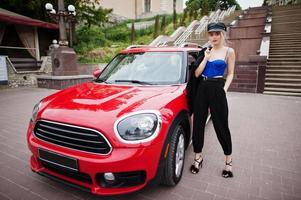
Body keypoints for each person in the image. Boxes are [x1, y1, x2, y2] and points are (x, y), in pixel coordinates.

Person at [190, 22, 235, 178]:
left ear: (223, 34)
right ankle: (198, 158)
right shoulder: (205, 51)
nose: (214, 37)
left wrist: (224, 89)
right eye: (211, 34)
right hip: (202, 88)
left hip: (218, 89)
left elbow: (230, 73)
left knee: (221, 125)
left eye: (217, 33)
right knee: (198, 124)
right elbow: (196, 74)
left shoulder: (229, 51)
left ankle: (228, 162)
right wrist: (205, 58)